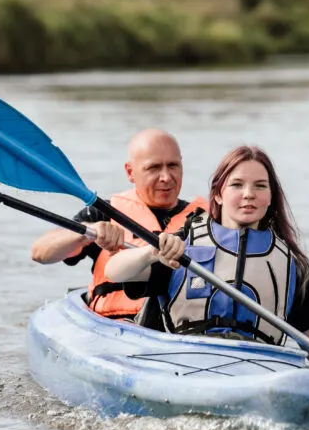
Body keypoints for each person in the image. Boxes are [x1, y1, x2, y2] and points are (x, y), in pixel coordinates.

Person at [103, 145, 309, 402]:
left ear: (270, 198)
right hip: (187, 366)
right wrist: (150, 252)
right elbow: (114, 271)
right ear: (218, 194)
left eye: (259, 186)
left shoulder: (287, 265)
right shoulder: (180, 247)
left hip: (256, 372)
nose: (248, 195)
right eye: (237, 185)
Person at [30, 129, 207, 320]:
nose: (166, 177)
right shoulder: (105, 213)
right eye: (153, 168)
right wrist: (87, 233)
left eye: (173, 165)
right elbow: (40, 253)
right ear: (130, 172)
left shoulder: (206, 219)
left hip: (180, 326)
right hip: (116, 324)